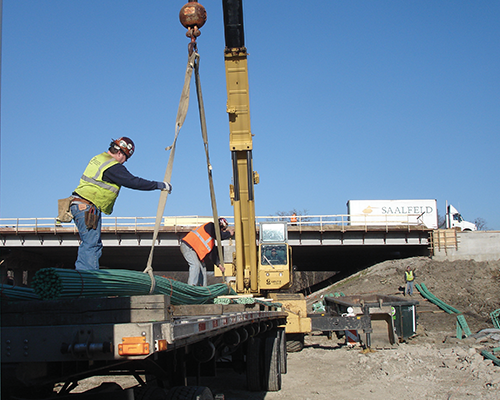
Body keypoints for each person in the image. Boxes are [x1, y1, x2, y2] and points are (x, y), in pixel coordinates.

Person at [71, 137, 172, 271]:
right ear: (120, 153)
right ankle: (88, 280)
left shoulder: (99, 158)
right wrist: (159, 185)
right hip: (87, 207)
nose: (124, 162)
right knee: (92, 244)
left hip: (79, 204)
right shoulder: (112, 166)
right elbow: (133, 182)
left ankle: (84, 278)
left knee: (89, 243)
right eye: (126, 158)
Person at [180, 218, 234, 286]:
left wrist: (219, 265)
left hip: (195, 251)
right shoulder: (210, 226)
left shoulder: (211, 239)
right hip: (188, 246)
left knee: (203, 269)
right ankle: (191, 286)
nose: (223, 231)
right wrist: (229, 233)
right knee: (195, 265)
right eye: (223, 229)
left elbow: (212, 254)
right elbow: (219, 235)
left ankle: (203, 289)